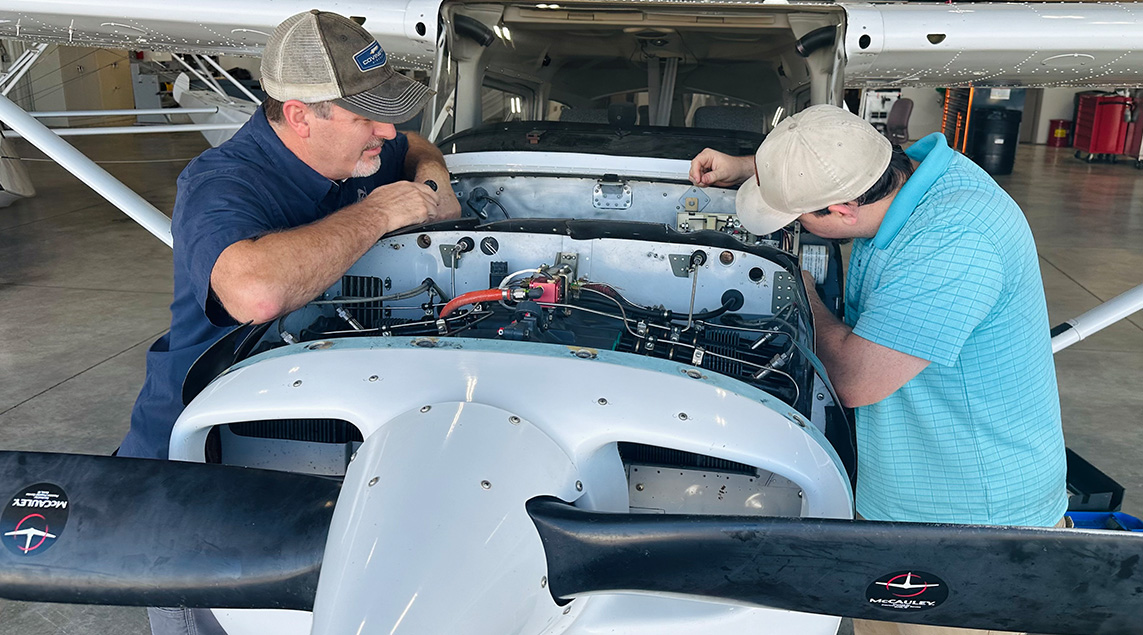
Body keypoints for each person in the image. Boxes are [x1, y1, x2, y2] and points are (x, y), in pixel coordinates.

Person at [119, 10, 461, 633]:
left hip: (306, 438)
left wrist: (433, 181)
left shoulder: (361, 151)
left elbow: (416, 147)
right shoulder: (222, 182)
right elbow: (254, 292)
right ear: (300, 114)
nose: (385, 130)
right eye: (366, 116)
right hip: (198, 465)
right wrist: (378, 215)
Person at [691, 105, 1068, 635]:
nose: (799, 227)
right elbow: (831, 156)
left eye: (802, 218)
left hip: (965, 522)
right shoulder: (908, 171)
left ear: (842, 209)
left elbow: (854, 380)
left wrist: (795, 284)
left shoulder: (955, 238)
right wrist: (751, 167)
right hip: (898, 496)